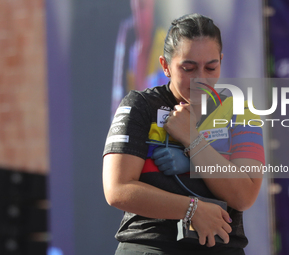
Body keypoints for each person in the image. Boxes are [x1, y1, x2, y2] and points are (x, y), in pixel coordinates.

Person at [102, 13, 265, 255]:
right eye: (188, 68)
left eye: (211, 67)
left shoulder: (241, 112)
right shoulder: (141, 105)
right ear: (165, 66)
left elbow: (243, 196)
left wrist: (193, 140)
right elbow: (118, 189)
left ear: (221, 60)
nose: (201, 78)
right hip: (150, 245)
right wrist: (191, 209)